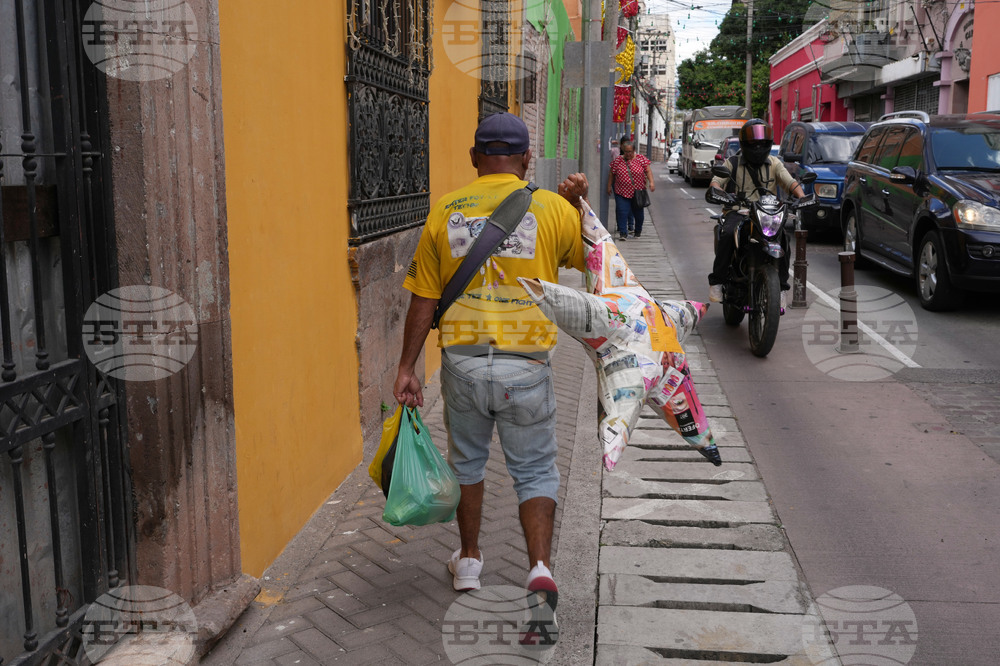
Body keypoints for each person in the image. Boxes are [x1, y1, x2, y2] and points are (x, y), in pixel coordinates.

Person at [393, 111, 589, 627]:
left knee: (468, 463)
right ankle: (540, 567)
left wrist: (407, 367)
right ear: (527, 159)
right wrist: (575, 206)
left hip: (462, 363)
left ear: (475, 157)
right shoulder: (550, 208)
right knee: (535, 469)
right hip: (528, 363)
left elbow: (423, 298)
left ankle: (471, 562)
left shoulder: (445, 210)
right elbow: (589, 259)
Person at [706, 118, 804, 311]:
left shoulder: (775, 163)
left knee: (783, 238)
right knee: (727, 234)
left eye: (762, 142)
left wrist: (802, 197)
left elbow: (790, 182)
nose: (758, 146)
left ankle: (782, 288)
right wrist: (718, 191)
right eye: (753, 142)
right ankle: (716, 281)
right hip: (738, 211)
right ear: (744, 143)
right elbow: (716, 181)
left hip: (766, 213)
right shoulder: (732, 162)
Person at [606, 139, 654, 240]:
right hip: (621, 191)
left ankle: (638, 231)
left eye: (630, 152)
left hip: (638, 192)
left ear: (634, 151)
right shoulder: (618, 160)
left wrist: (651, 183)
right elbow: (612, 173)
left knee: (638, 214)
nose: (628, 154)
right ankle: (623, 233)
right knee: (622, 211)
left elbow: (648, 171)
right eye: (626, 152)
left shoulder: (641, 159)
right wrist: (609, 185)